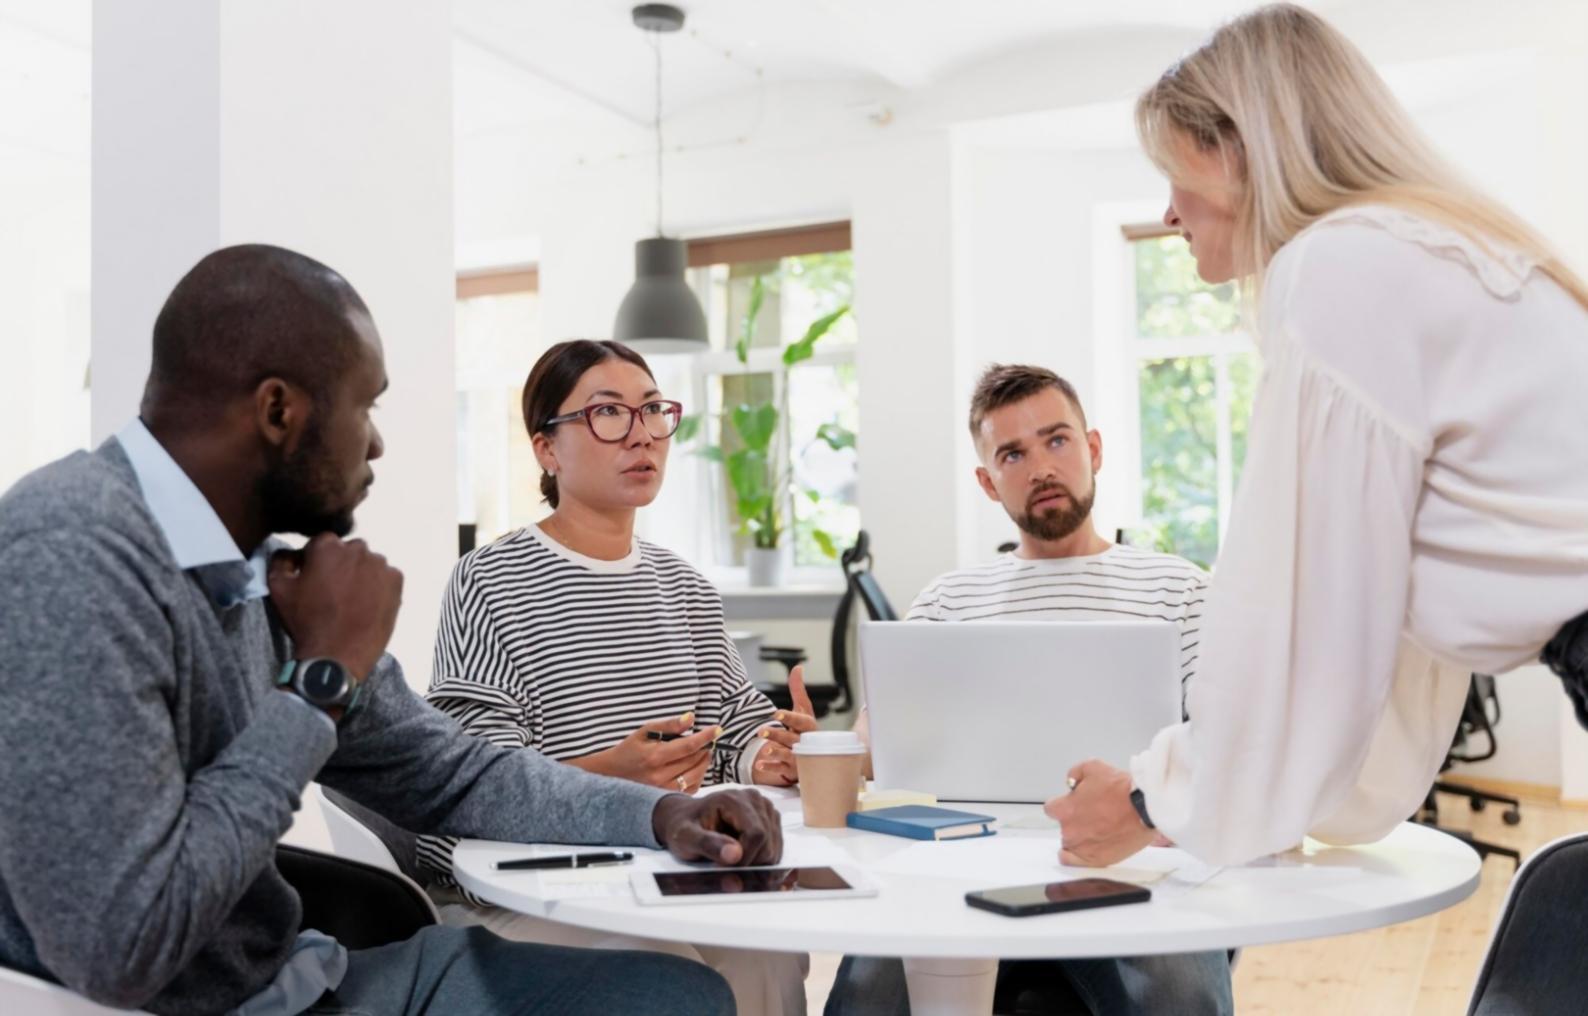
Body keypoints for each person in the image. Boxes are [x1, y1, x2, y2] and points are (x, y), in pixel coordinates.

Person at [0, 244, 784, 1016]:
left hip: (309, 974)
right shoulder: (70, 555)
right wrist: (319, 682)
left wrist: (656, 816)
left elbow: (454, 772)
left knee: (680, 992)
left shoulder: (258, 572)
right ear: (278, 411)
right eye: (364, 407)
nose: (375, 444)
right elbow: (121, 947)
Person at [1049, 3, 1588, 872]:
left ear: (1236, 151)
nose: (1169, 213)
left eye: (1174, 174)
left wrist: (1156, 796)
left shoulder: (1341, 264)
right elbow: (1369, 615)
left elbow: (1298, 612)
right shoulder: (1426, 247)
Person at [820, 364, 1230, 1015]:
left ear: (1093, 450)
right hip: (955, 864)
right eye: (1012, 454)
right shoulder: (949, 599)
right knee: (866, 994)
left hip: (1126, 860)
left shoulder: (1180, 589)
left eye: (1057, 441)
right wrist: (828, 749)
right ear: (988, 481)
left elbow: (1222, 738)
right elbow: (879, 741)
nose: (1041, 467)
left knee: (1183, 994)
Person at [417, 338, 811, 1015]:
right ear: (546, 448)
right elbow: (476, 779)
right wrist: (612, 776)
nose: (641, 434)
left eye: (653, 410)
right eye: (608, 413)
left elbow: (736, 723)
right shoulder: (491, 580)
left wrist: (770, 753)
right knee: (668, 966)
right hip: (529, 888)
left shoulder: (685, 586)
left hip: (663, 863)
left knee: (766, 947)